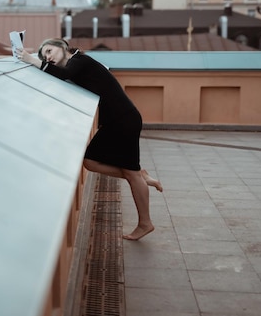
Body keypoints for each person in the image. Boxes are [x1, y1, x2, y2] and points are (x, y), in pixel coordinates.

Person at [16, 39, 163, 241]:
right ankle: (141, 175)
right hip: (114, 121)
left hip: (123, 119)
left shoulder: (79, 61)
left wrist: (31, 60)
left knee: (129, 172)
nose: (48, 57)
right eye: (44, 56)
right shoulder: (77, 65)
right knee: (90, 161)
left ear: (62, 46)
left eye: (49, 51)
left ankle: (145, 222)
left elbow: (63, 75)